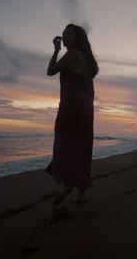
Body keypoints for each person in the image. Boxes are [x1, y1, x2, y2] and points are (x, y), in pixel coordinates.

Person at [46, 24, 99, 206]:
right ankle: (81, 193)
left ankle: (67, 184)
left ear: (77, 37)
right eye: (63, 34)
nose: (64, 36)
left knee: (63, 144)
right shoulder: (85, 58)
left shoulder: (73, 54)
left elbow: (50, 71)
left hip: (71, 107)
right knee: (80, 147)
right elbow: (89, 89)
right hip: (85, 109)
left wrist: (55, 50)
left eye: (68, 33)